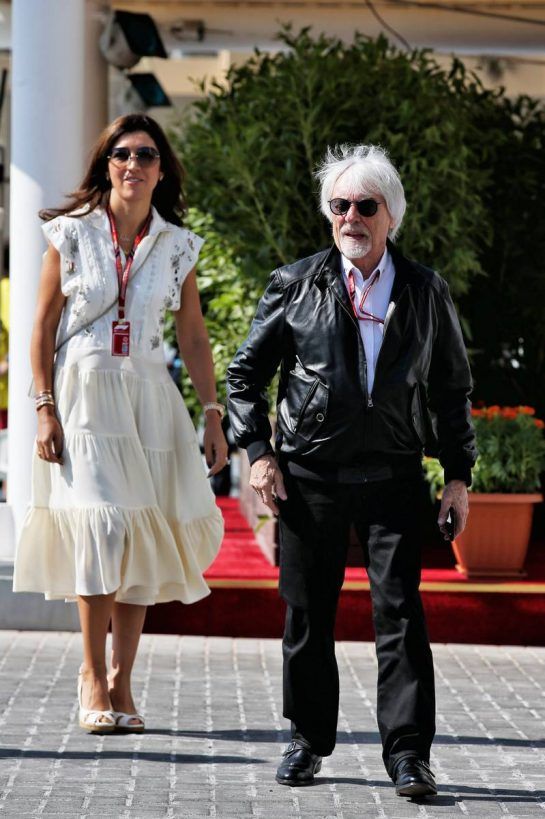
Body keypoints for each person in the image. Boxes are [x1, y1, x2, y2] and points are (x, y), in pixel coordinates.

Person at [227, 144, 476, 796]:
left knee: (400, 616)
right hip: (309, 476)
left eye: (365, 205)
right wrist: (256, 453)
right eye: (339, 205)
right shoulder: (295, 283)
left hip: (392, 474)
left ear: (390, 214)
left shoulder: (423, 290)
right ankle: (307, 739)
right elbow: (244, 375)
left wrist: (457, 475)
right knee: (307, 615)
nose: (350, 216)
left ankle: (407, 755)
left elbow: (451, 388)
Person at [14, 114, 227, 734]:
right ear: (106, 164)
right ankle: (88, 673)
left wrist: (212, 413)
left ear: (163, 170)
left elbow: (191, 335)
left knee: (138, 533)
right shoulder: (73, 234)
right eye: (122, 154)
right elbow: (43, 326)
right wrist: (44, 406)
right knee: (103, 529)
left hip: (149, 396)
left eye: (147, 155)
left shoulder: (177, 243)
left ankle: (122, 680)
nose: (133, 165)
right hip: (84, 393)